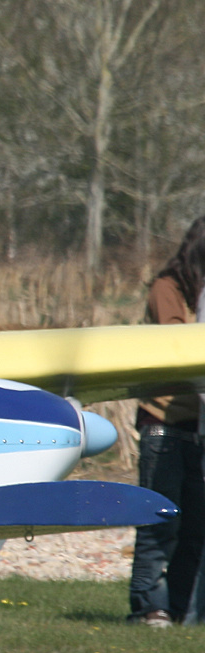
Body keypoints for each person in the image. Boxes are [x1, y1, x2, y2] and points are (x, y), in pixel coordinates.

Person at [129, 216, 205, 626]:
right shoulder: (167, 289)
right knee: (159, 525)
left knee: (195, 529)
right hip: (163, 424)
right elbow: (180, 345)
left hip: (196, 427)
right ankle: (148, 605)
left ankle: (179, 607)